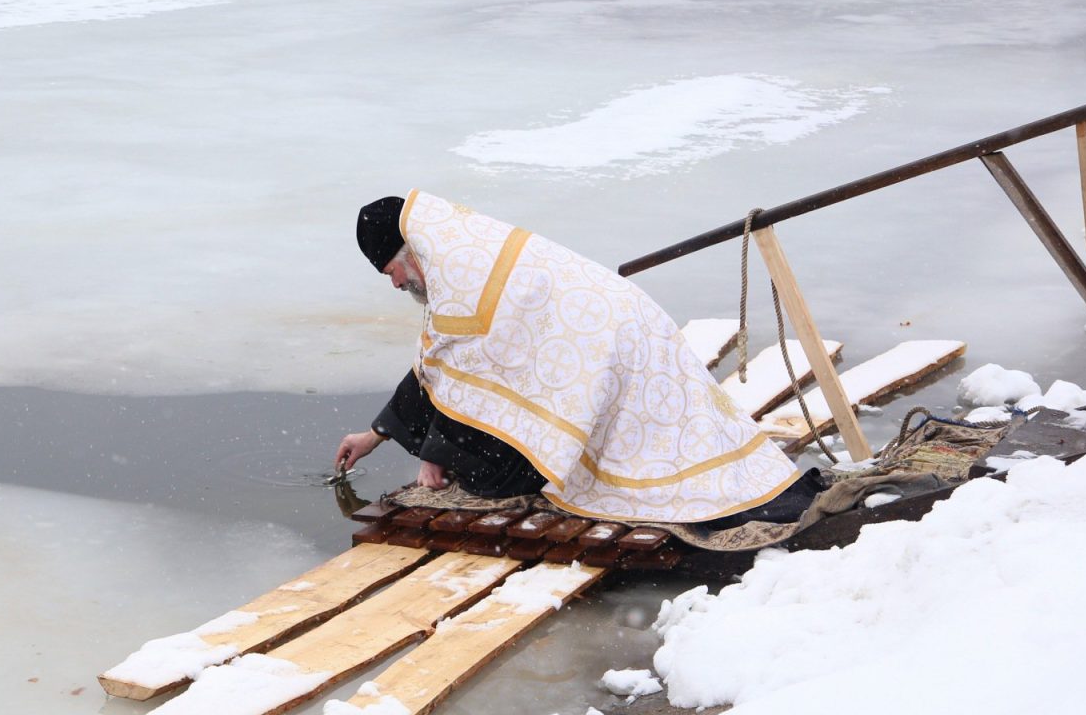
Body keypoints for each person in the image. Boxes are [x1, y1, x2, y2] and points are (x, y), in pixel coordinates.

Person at [334, 190, 816, 525]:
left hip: (613, 353)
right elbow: (443, 368)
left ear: (412, 251)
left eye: (393, 272)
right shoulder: (468, 255)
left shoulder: (465, 280)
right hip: (623, 333)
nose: (397, 285)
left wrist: (436, 453)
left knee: (492, 475)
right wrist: (373, 436)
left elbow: (459, 370)